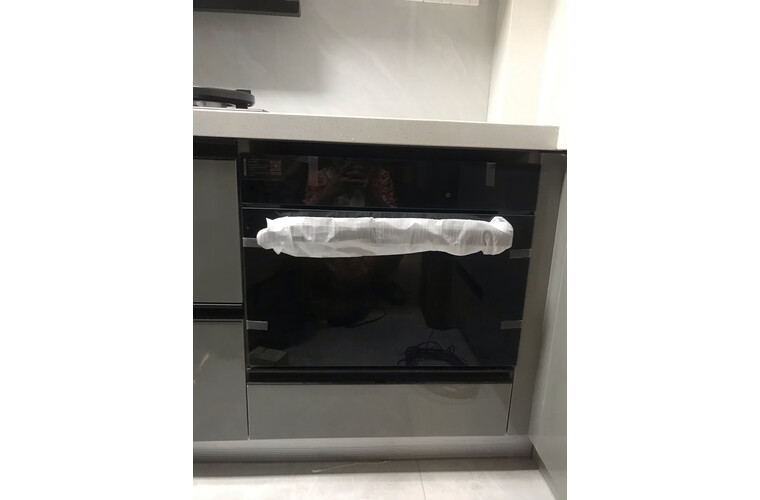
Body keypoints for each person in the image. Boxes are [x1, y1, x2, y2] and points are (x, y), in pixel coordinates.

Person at [303, 157, 405, 326]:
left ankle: (378, 282)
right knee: (302, 244)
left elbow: (393, 221)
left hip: (369, 242)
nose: (349, 162)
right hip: (329, 243)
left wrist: (370, 193)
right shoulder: (320, 176)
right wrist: (329, 193)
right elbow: (304, 222)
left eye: (354, 156)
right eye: (342, 158)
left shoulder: (379, 176)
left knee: (400, 238)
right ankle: (327, 290)